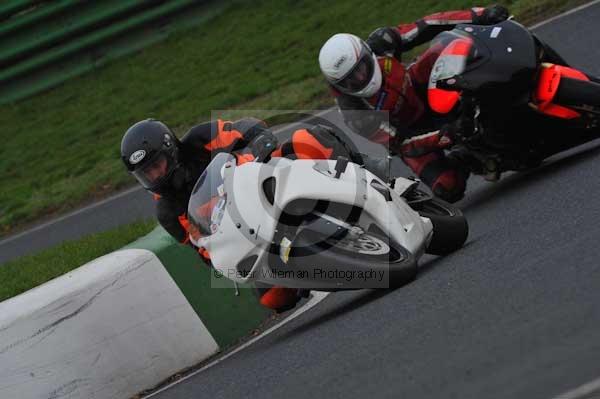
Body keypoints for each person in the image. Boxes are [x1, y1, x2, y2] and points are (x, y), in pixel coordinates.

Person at [121, 118, 389, 312]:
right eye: (146, 173)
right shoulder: (168, 212)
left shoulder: (203, 138)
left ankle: (367, 168)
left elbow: (251, 128)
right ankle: (317, 267)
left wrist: (252, 152)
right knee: (274, 299)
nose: (155, 176)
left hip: (268, 180)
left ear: (170, 149)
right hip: (249, 231)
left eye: (156, 165)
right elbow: (204, 252)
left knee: (308, 139)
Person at [318, 5, 510, 202]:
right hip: (412, 134)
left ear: (368, 54)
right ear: (339, 86)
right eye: (351, 80)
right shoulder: (356, 115)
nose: (360, 78)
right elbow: (404, 145)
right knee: (448, 187)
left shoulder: (382, 42)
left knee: (441, 50)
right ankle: (467, 157)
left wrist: (480, 15)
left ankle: (497, 70)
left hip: (418, 87)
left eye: (362, 68)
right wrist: (448, 133)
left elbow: (429, 24)